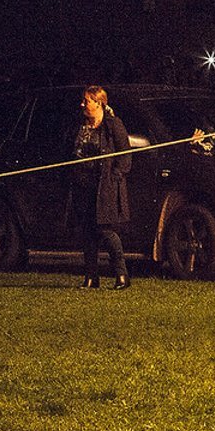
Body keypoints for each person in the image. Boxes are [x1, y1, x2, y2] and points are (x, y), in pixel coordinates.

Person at [72, 86, 132, 290]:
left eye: (87, 101)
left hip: (104, 185)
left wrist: (116, 174)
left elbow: (125, 155)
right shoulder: (80, 126)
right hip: (84, 185)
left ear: (99, 103)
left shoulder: (113, 125)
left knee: (106, 230)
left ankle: (121, 275)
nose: (83, 104)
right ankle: (91, 277)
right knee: (87, 232)